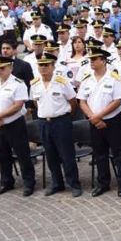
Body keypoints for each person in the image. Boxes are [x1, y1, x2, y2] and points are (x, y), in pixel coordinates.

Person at [77, 46, 121, 197]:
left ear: (103, 61)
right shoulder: (87, 79)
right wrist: (93, 117)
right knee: (100, 154)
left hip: (113, 122)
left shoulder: (114, 78)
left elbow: (118, 101)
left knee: (118, 154)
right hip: (94, 122)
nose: (91, 62)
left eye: (94, 59)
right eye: (90, 59)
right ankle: (103, 183)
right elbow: (82, 102)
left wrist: (98, 116)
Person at [30, 53, 81, 197]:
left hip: (61, 122)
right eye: (41, 65)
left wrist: (63, 116)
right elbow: (36, 103)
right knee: (51, 155)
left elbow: (73, 102)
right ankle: (57, 183)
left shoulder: (62, 81)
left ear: (53, 66)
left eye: (47, 65)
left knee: (67, 155)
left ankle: (74, 184)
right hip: (44, 123)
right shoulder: (34, 83)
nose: (43, 67)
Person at [0, 56, 34, 196]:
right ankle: (6, 181)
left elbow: (18, 105)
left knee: (22, 154)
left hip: (14, 125)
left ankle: (29, 182)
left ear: (10, 68)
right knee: (2, 155)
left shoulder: (18, 84)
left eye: (2, 68)